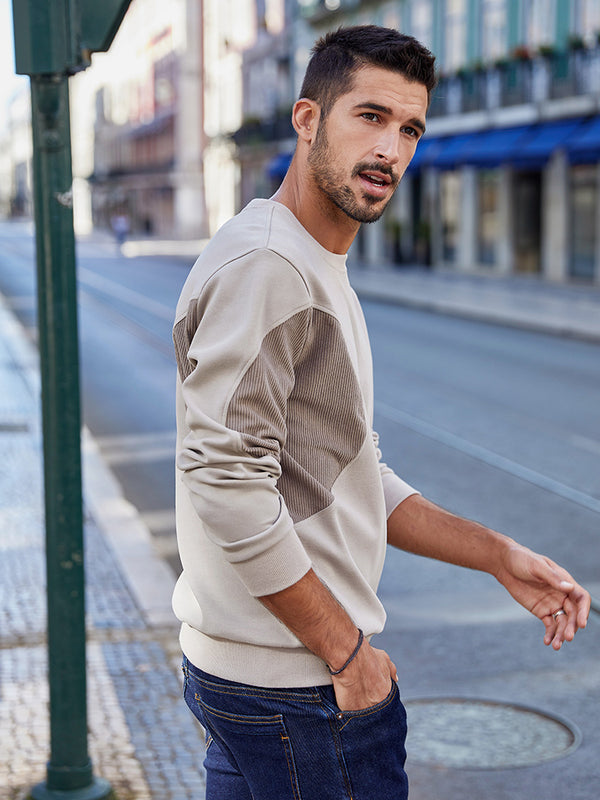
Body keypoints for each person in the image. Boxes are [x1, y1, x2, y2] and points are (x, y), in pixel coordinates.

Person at [172, 26, 590, 800]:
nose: (390, 149)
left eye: (409, 129)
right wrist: (346, 656)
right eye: (369, 116)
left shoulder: (306, 260)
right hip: (298, 694)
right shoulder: (272, 267)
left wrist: (497, 554)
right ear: (307, 118)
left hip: (254, 682)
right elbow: (225, 481)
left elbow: (350, 472)